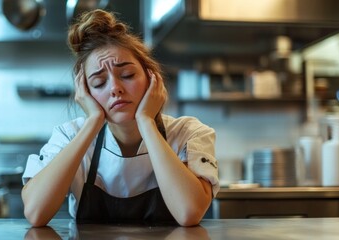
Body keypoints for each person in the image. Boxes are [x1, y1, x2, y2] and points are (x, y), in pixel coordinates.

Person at [21, 9, 219, 227]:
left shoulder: (188, 133)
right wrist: (92, 123)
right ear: (85, 92)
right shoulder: (69, 136)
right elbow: (35, 212)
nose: (115, 88)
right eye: (98, 83)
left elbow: (189, 212)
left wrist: (146, 122)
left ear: (151, 77)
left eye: (127, 75)